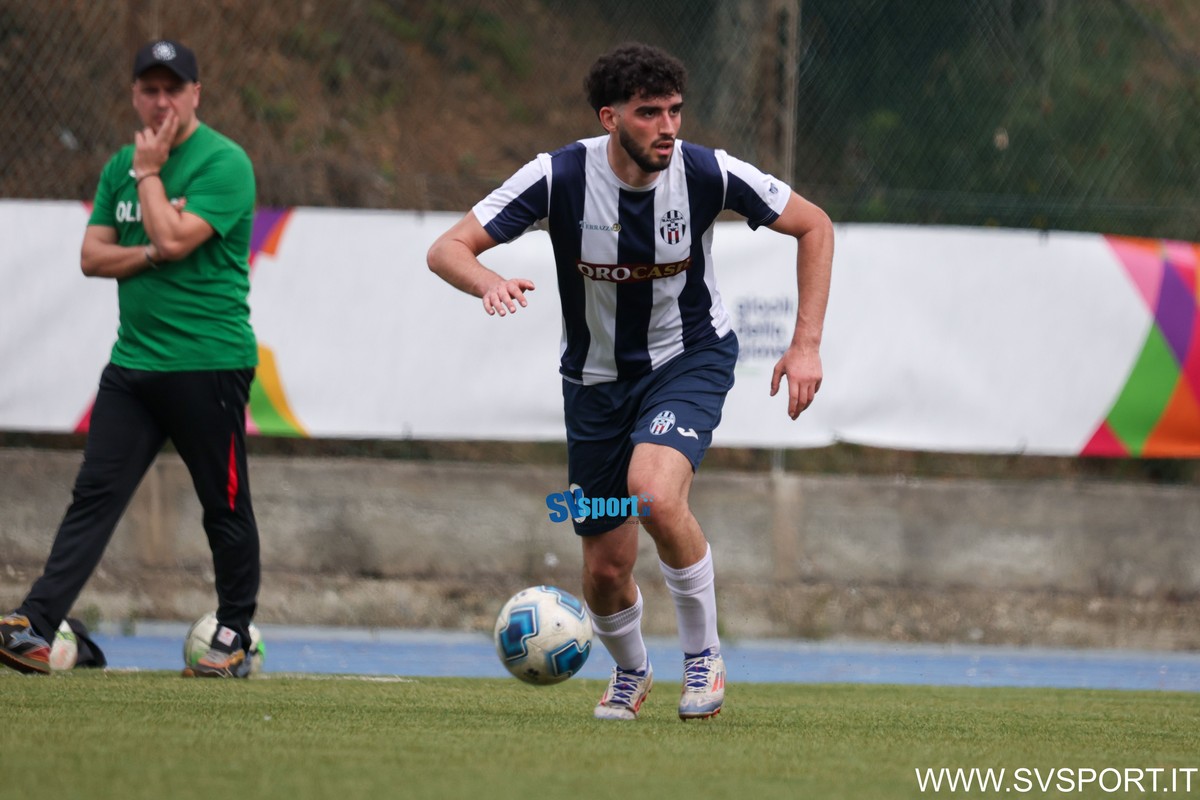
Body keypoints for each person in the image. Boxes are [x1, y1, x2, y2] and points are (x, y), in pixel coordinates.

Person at [428, 42, 833, 720]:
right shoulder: (557, 177)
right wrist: (487, 281)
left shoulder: (706, 172)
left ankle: (703, 659)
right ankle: (632, 671)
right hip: (595, 385)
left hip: (688, 359)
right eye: (649, 113)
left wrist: (806, 345)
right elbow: (446, 248)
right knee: (606, 568)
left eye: (675, 111)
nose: (667, 127)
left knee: (654, 495)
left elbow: (813, 224)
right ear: (610, 117)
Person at [0, 40, 261, 678]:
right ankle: (35, 626)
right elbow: (93, 256)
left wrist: (150, 179)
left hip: (208, 363)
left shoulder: (223, 162)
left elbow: (174, 236)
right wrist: (147, 250)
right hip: (134, 365)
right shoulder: (121, 164)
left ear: (196, 94)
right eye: (150, 89)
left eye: (173, 88)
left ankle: (233, 634)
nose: (161, 100)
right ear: (135, 95)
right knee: (93, 496)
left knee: (224, 504)